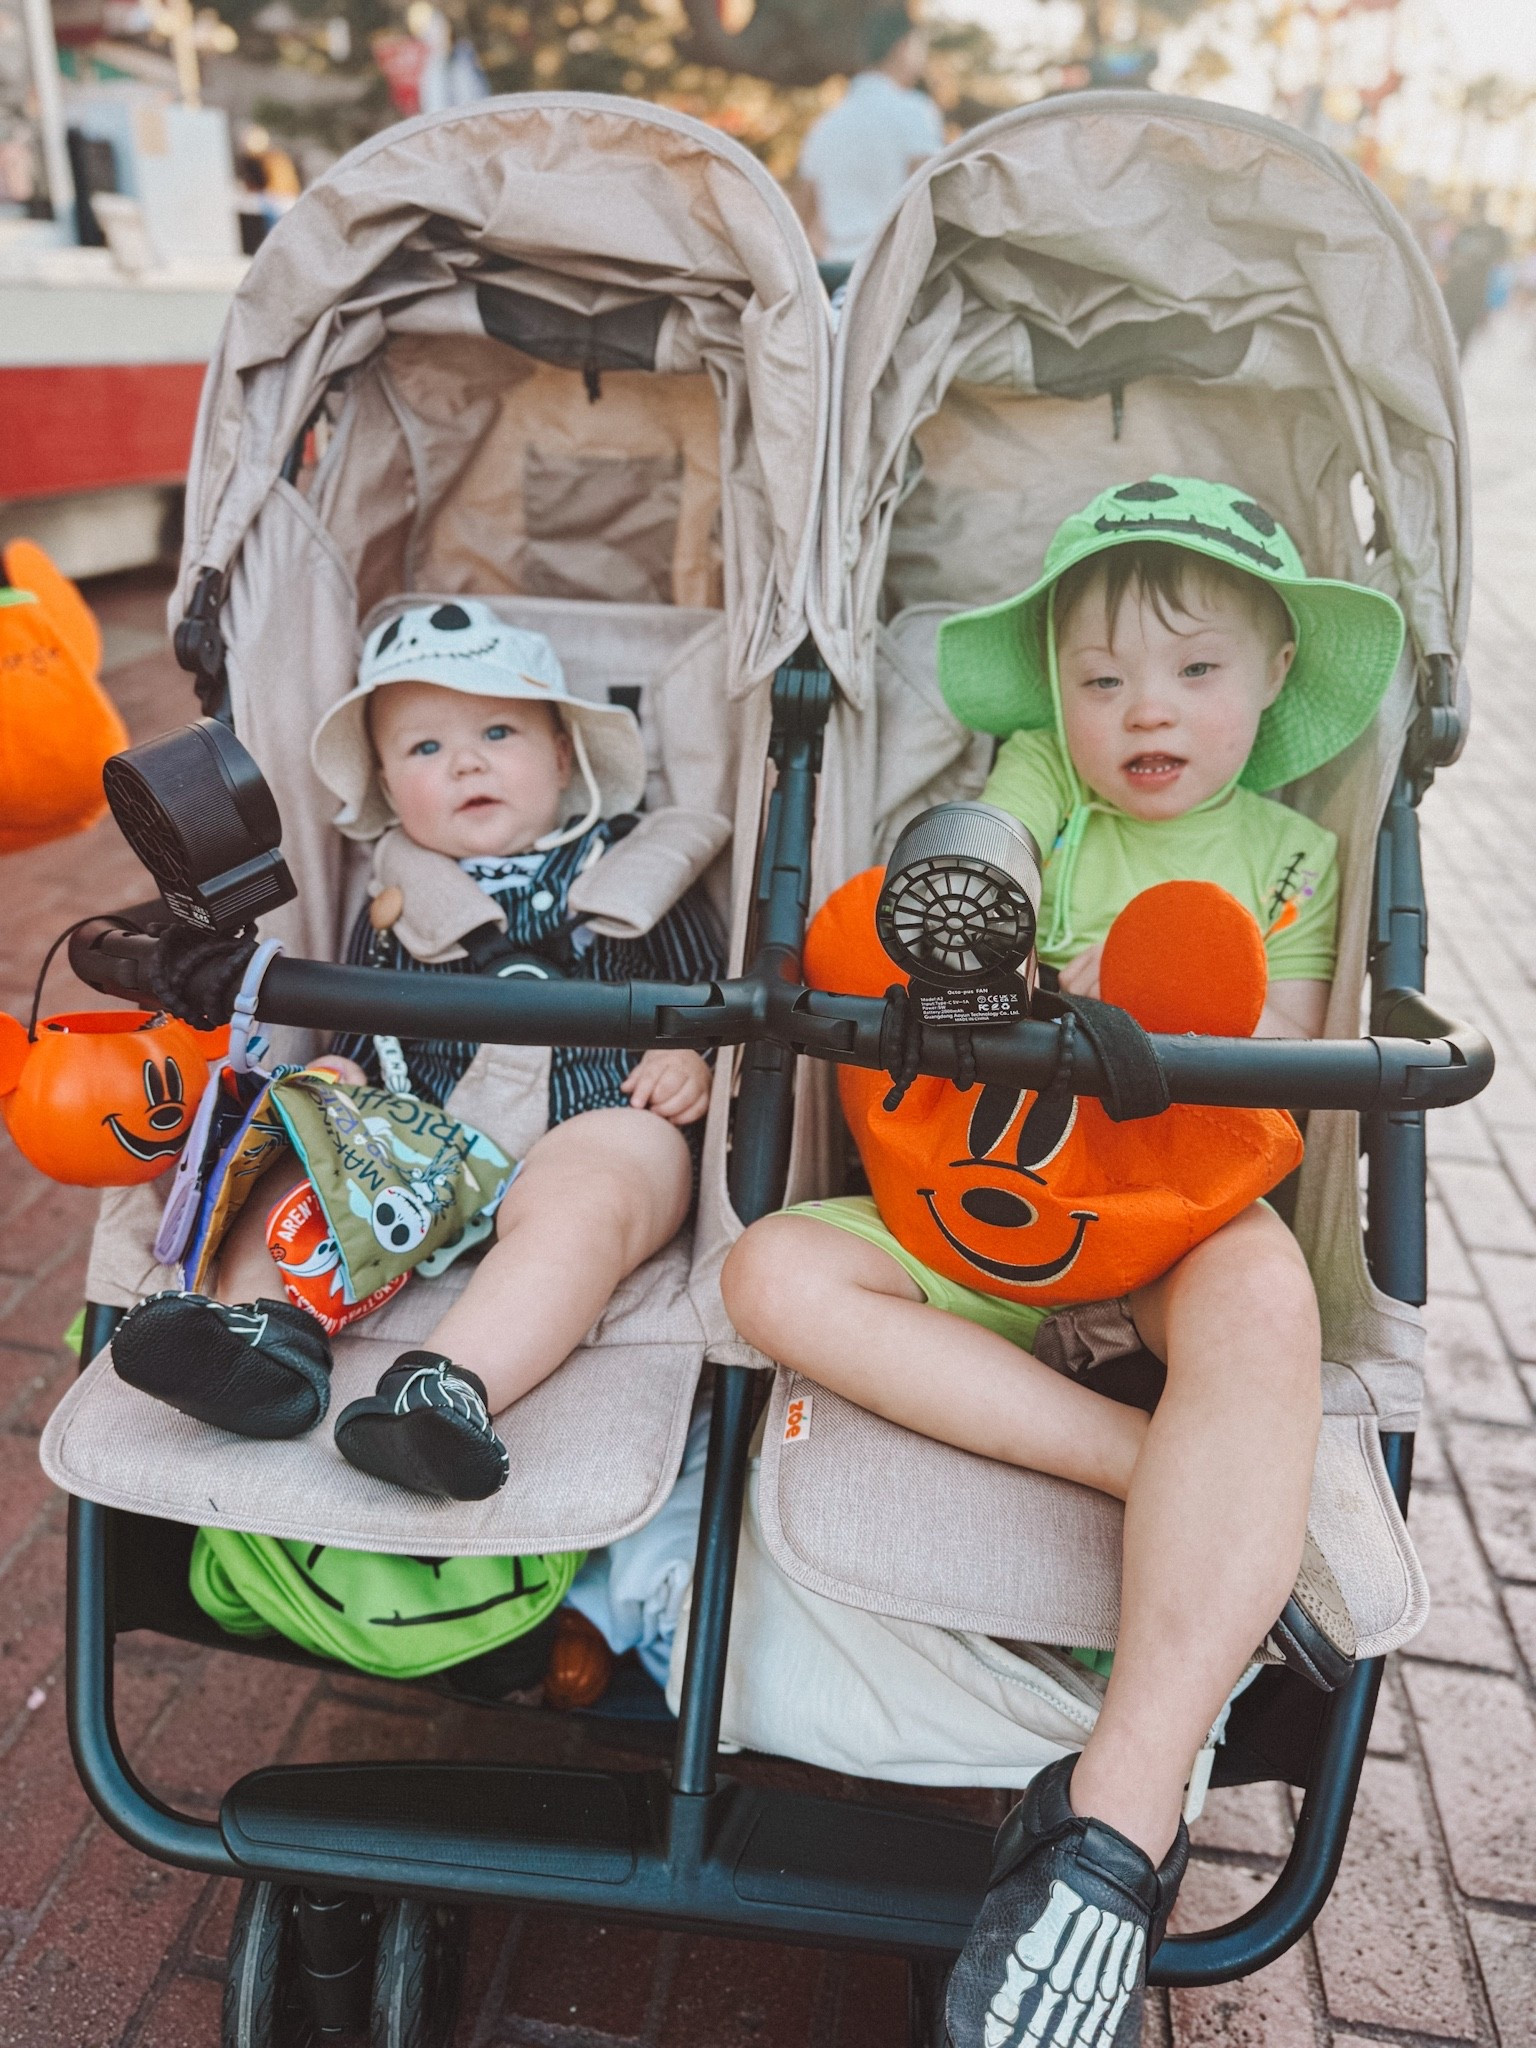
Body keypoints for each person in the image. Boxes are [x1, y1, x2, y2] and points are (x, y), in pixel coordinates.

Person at [721, 477, 1405, 2047]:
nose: (1140, 709)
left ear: (1279, 674)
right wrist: (1001, 939)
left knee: (1262, 1285)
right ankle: (1166, 1472)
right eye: (1100, 681)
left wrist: (1163, 1000)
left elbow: (1286, 1063)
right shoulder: (1040, 785)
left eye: (1192, 672)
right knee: (772, 1273)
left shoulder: (1294, 859)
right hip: (986, 1202)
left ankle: (1111, 1820)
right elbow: (969, 879)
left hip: (1165, 1220)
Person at [113, 602, 721, 1502]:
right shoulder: (397, 894)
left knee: (601, 1187)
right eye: (425, 750)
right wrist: (338, 1078)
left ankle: (446, 1389)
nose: (466, 761)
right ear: (391, 790)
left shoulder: (636, 869)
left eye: (499, 731)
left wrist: (695, 1062)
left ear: (563, 755)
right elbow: (364, 1027)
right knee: (305, 1142)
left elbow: (702, 997)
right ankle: (255, 1340)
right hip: (420, 1132)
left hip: (598, 1117)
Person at [794, 6, 944, 269]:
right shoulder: (915, 111)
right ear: (904, 46)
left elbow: (798, 223)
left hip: (837, 280)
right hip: (895, 277)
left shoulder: (824, 125)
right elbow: (931, 201)